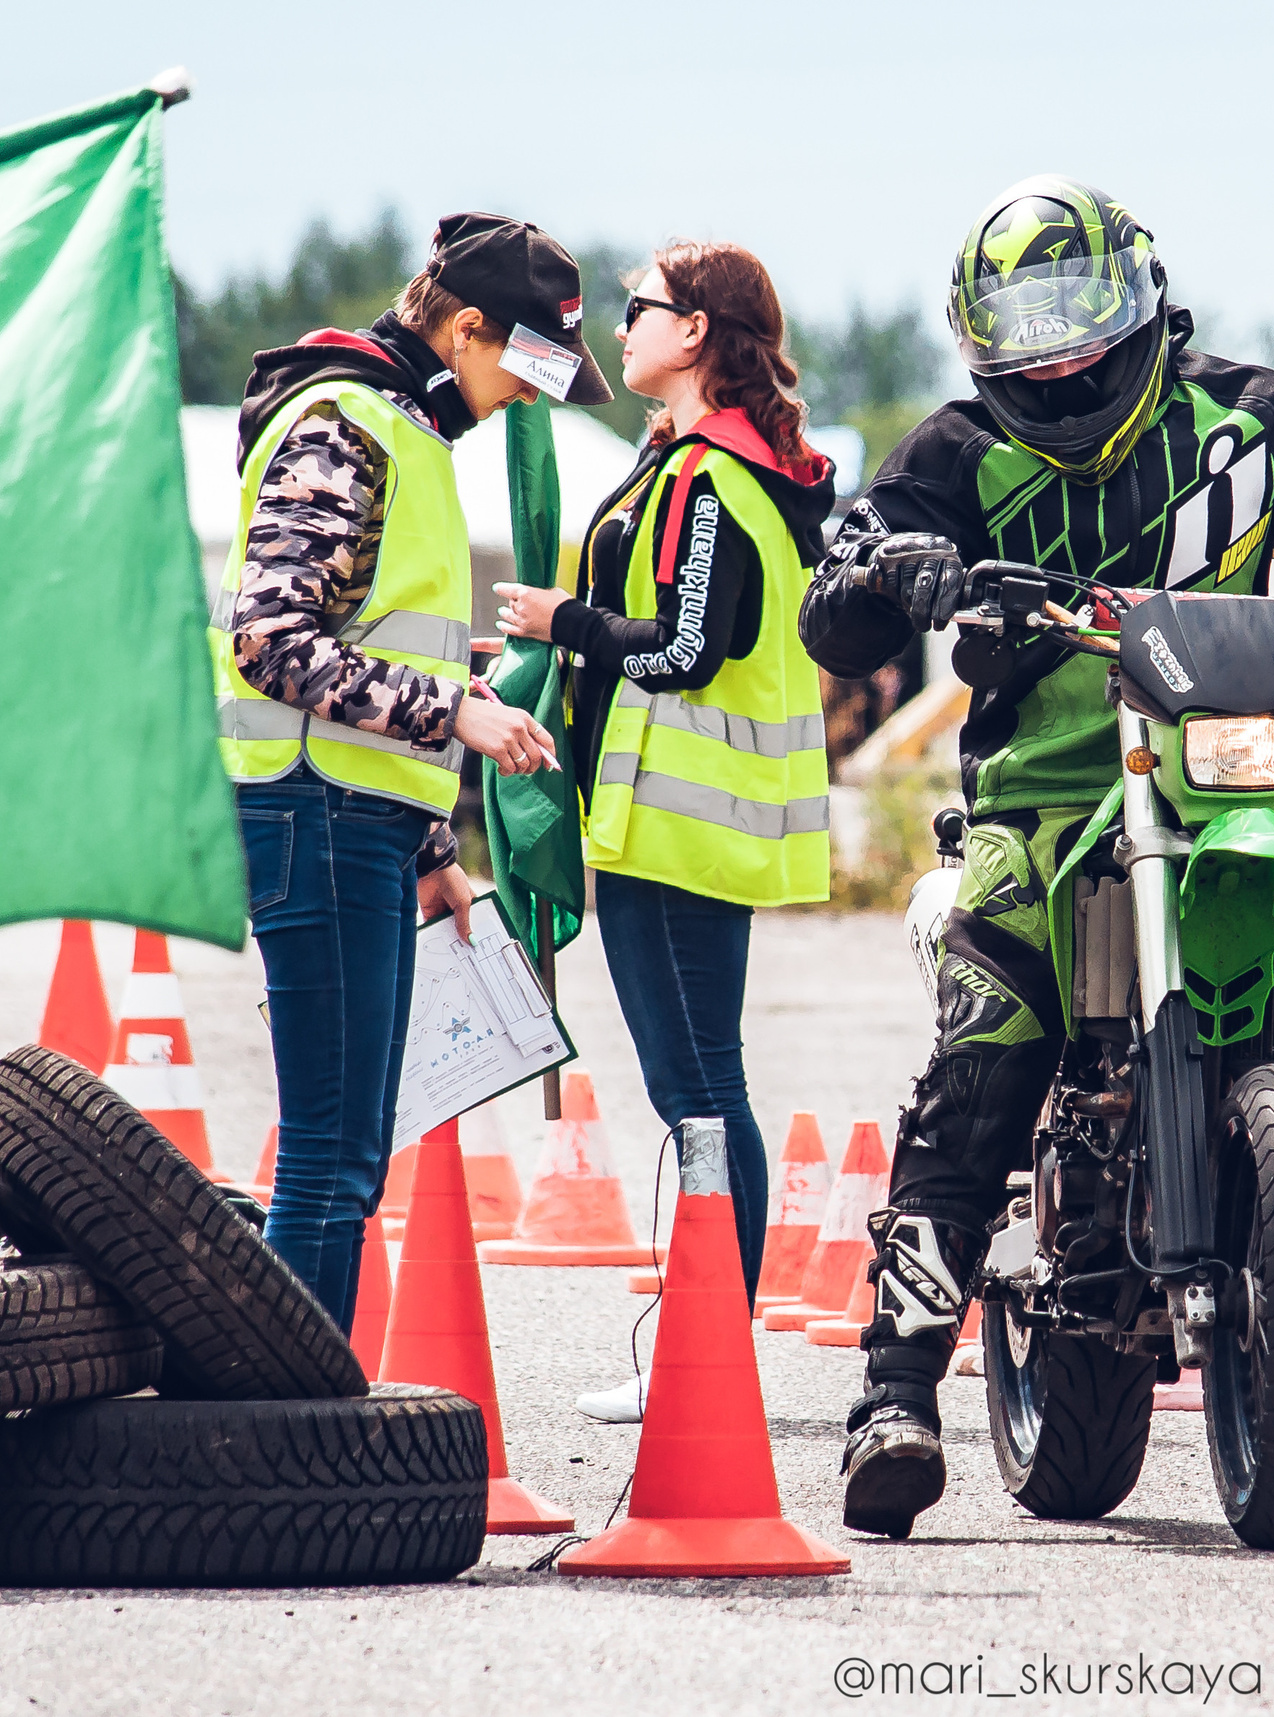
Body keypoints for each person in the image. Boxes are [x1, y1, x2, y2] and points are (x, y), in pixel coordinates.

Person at [798, 176, 1274, 1541]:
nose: (1057, 357)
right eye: (1024, 331)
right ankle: (893, 1393)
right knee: (986, 1051)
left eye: (1075, 318)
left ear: (1138, 296)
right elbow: (834, 604)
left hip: (1246, 767)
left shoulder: (1256, 421)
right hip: (1046, 794)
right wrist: (885, 572)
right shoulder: (954, 453)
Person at [212, 214, 595, 1324]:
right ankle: (289, 1411)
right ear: (466, 328)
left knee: (349, 1154)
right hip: (316, 818)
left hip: (361, 824)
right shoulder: (345, 425)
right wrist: (453, 711)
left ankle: (302, 1401)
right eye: (524, 373)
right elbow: (270, 641)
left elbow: (367, 639)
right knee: (330, 1158)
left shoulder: (402, 430)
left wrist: (431, 844)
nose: (521, 401)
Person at [495, 242, 835, 1422]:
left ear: (694, 331)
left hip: (678, 830)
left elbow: (691, 648)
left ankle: (705, 1345)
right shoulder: (697, 462)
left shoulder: (713, 475)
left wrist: (564, 621)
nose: (621, 327)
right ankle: (707, 1336)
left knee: (699, 1090)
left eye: (638, 307)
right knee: (699, 1084)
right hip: (666, 824)